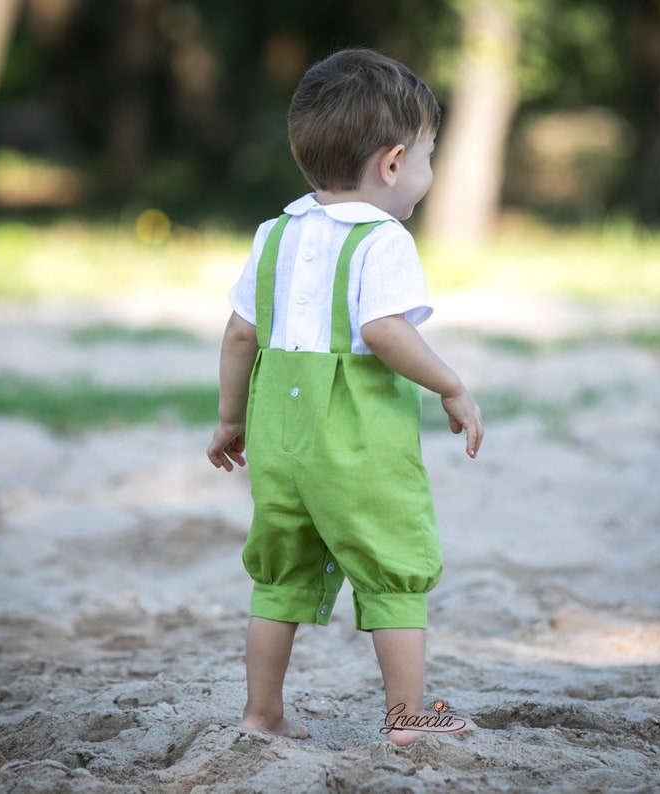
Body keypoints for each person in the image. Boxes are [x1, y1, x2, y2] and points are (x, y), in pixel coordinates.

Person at [206, 48, 483, 746]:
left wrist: (230, 420)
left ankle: (261, 713)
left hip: (277, 433)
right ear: (393, 164)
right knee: (392, 570)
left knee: (280, 574)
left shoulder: (274, 235)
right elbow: (383, 329)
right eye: (427, 155)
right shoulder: (383, 238)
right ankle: (406, 719)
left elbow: (241, 336)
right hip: (354, 438)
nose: (426, 172)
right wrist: (449, 383)